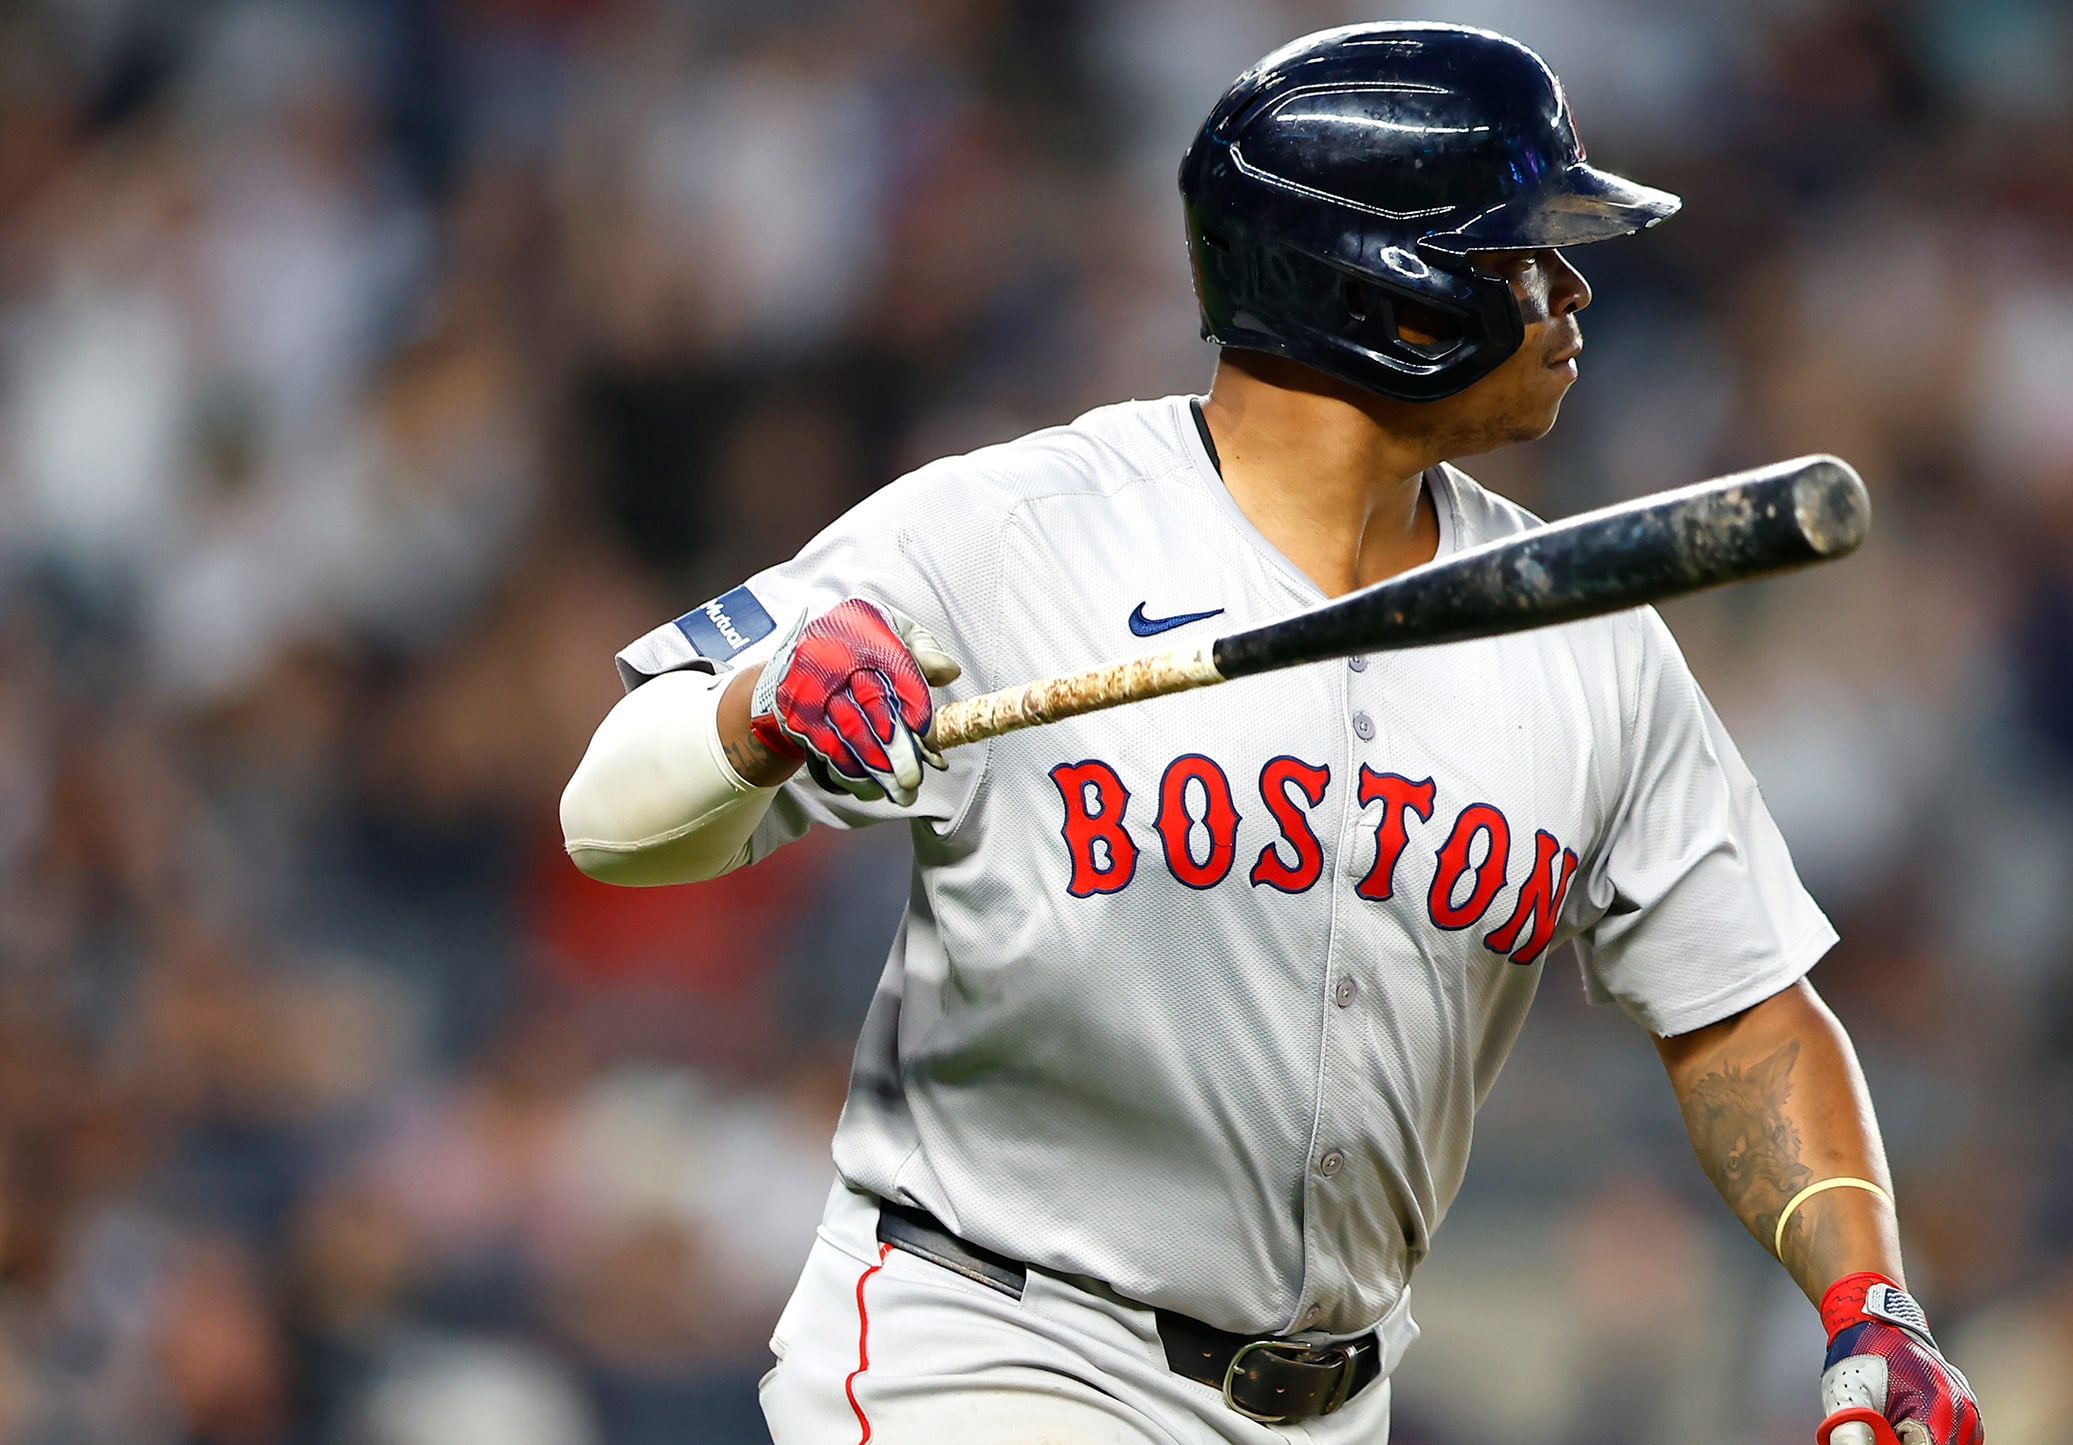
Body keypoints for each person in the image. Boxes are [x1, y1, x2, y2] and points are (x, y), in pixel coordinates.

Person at [559, 22, 1982, 1445]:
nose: (1567, 291)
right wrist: (757, 713)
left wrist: (1869, 1304)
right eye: (1518, 255)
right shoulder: (1017, 530)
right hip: (989, 1352)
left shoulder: (1587, 632)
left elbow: (1742, 1008)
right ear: (1382, 282)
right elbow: (604, 821)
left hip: (1325, 1404)